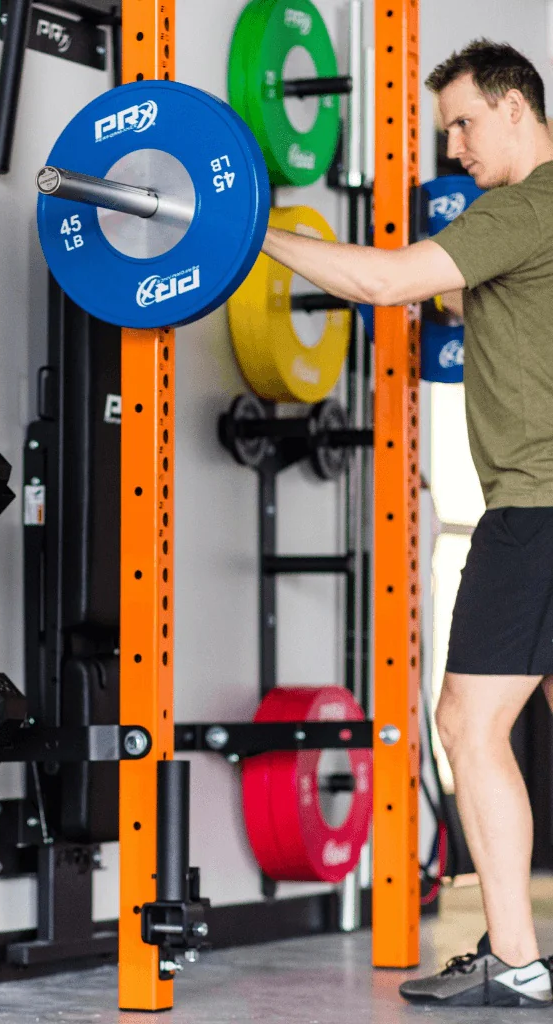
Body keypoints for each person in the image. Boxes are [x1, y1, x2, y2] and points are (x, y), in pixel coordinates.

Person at [260, 39, 553, 1008]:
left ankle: (513, 960)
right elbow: (457, 294)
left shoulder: (520, 206)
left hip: (537, 506)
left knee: (467, 725)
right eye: (444, 130)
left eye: (465, 122)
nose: (455, 146)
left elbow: (386, 285)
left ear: (517, 108)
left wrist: (244, 227)